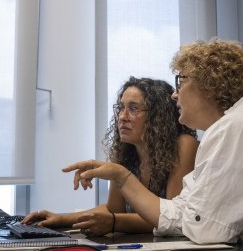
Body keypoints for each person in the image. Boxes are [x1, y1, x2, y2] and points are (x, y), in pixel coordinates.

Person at [63, 39, 243, 251]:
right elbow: (183, 211)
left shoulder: (237, 129)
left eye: (181, 81)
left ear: (209, 86)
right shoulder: (232, 128)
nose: (174, 93)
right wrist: (120, 175)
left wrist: (122, 178)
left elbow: (203, 227)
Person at [22, 77, 198, 235]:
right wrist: (61, 219)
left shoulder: (183, 144)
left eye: (133, 109)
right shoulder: (126, 152)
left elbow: (172, 219)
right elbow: (113, 210)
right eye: (120, 108)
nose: (122, 117)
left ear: (158, 116)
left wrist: (115, 222)